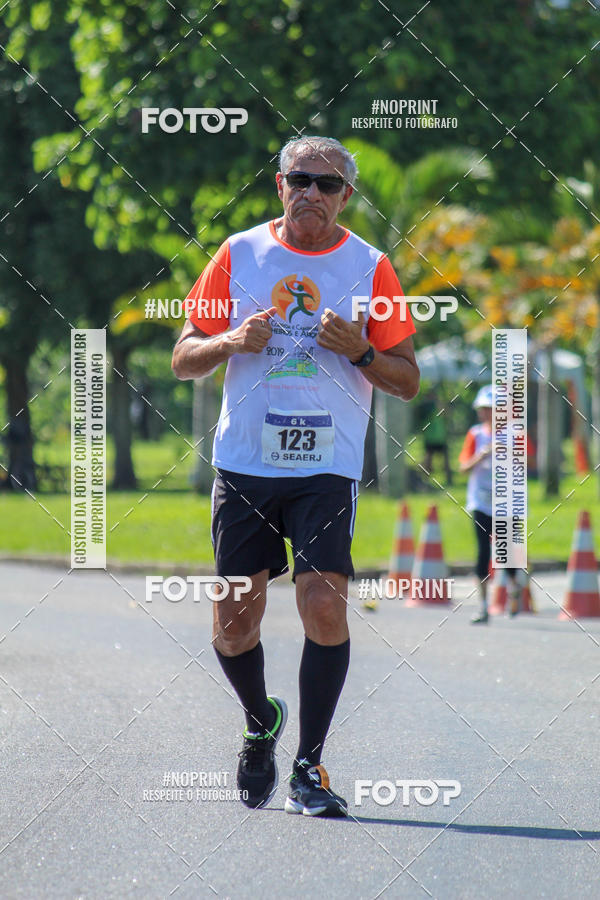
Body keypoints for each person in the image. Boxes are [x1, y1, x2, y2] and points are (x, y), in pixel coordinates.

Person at [172, 135, 419, 817]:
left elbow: (408, 379)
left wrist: (363, 351)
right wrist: (228, 342)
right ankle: (260, 723)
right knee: (231, 624)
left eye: (327, 184)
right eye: (299, 179)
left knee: (322, 604)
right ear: (279, 185)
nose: (311, 192)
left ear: (346, 197)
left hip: (325, 467)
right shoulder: (239, 254)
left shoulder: (372, 267)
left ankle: (310, 767)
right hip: (245, 462)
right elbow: (183, 356)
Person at [459, 385, 520, 624]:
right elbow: (462, 467)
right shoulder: (476, 434)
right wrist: (480, 456)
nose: (485, 414)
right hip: (481, 502)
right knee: (483, 551)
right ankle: (483, 606)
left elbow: (529, 464)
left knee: (509, 553)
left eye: (491, 409)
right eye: (483, 409)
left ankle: (514, 592)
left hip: (507, 503)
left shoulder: (515, 434)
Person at [419, 388, 452, 485]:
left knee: (446, 461)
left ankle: (449, 479)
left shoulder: (439, 406)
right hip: (430, 438)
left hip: (440, 437)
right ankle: (425, 480)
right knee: (428, 461)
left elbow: (447, 414)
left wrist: (440, 402)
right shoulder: (426, 407)